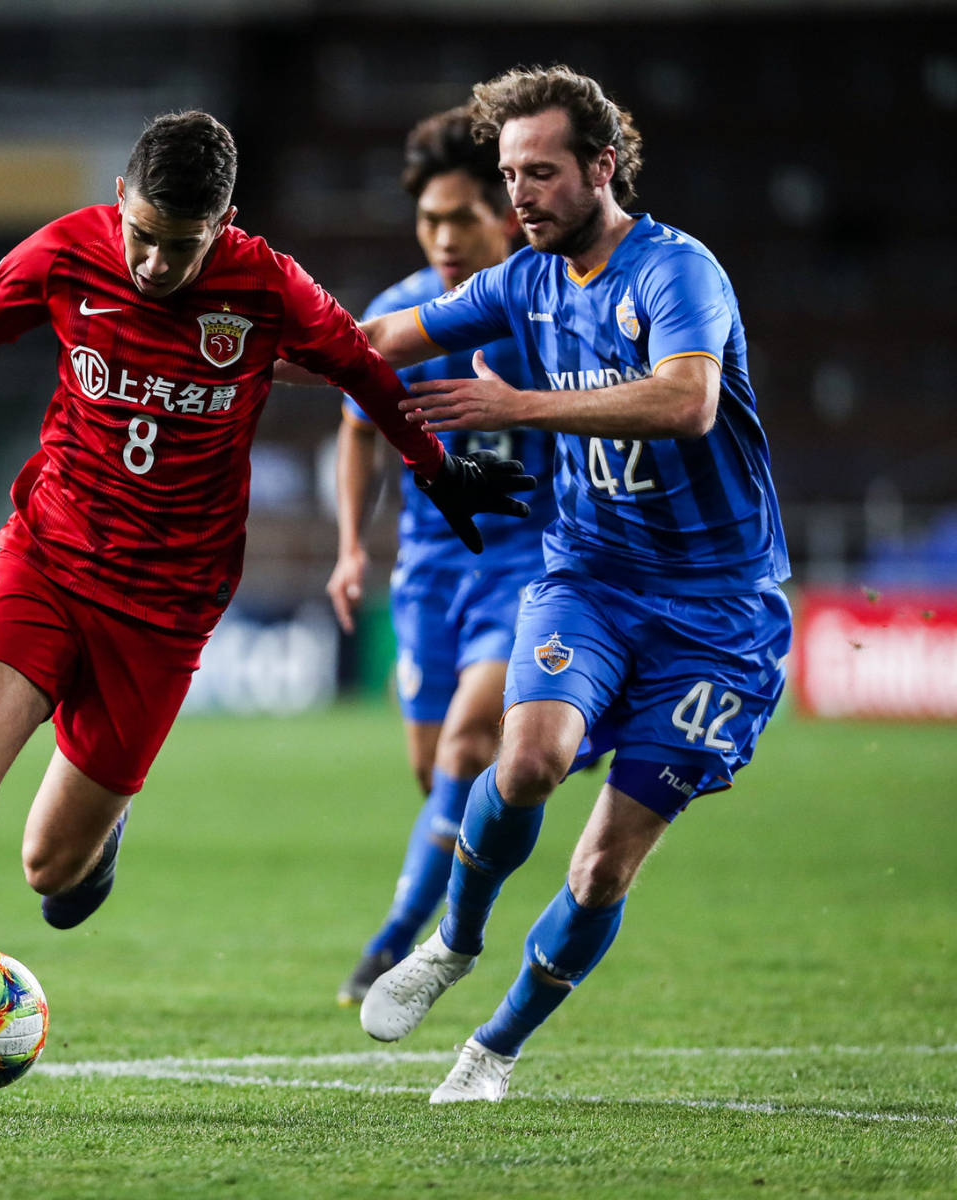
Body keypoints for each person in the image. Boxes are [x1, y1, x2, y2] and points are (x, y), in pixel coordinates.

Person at [0, 110, 534, 1119]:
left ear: (225, 224)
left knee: (53, 873)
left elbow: (361, 367)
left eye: (183, 244)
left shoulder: (268, 287)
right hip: (47, 553)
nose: (156, 263)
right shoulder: (66, 250)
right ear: (120, 200)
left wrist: (435, 471)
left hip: (165, 607)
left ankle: (99, 836)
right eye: (142, 235)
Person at [353, 66, 792, 1103]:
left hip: (718, 613)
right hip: (588, 577)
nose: (521, 196)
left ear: (603, 166)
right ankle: (452, 943)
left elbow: (686, 403)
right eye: (510, 175)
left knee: (601, 869)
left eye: (541, 173)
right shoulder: (523, 280)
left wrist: (520, 404)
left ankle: (493, 1049)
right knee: (529, 757)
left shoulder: (676, 272)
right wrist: (231, 348)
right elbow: (375, 344)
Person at [325, 109, 557, 1007]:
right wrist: (351, 545)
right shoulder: (404, 315)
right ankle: (473, 869)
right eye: (431, 220)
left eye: (463, 217)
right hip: (428, 572)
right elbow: (357, 431)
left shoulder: (545, 309)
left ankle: (394, 945)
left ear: (505, 214)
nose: (445, 238)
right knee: (438, 774)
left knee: (467, 739)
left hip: (527, 566)